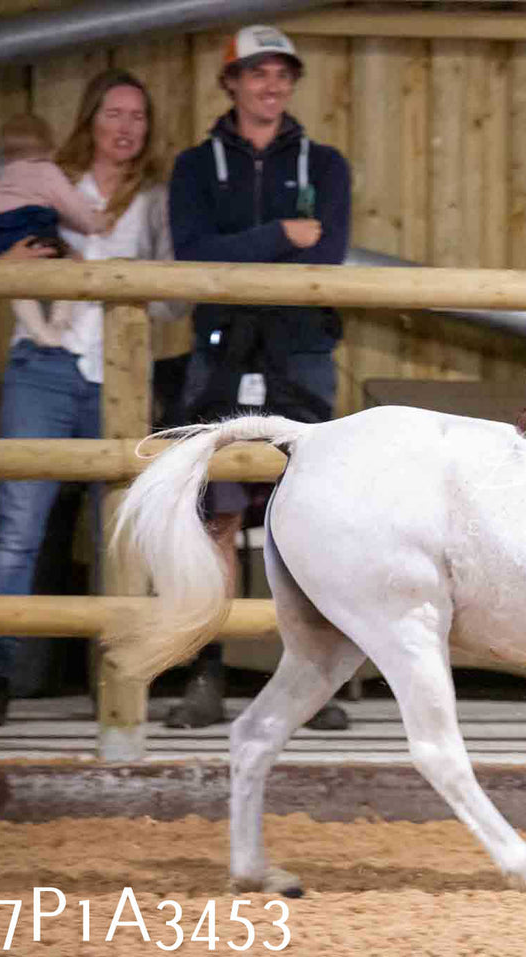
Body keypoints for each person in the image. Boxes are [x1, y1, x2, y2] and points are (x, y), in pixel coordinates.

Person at [0, 70, 184, 726]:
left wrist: (126, 288)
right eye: (115, 113)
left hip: (121, 374)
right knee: (18, 526)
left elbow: (178, 296)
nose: (127, 127)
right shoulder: (43, 178)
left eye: (138, 116)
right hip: (43, 364)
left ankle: (120, 677)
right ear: (91, 118)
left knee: (119, 533)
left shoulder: (154, 199)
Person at [164, 24, 352, 730]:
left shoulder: (325, 164)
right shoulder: (194, 166)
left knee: (311, 515)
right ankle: (204, 675)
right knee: (218, 511)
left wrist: (246, 253)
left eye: (282, 74)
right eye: (256, 73)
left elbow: (326, 256)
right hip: (220, 352)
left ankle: (308, 681)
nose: (271, 85)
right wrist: (280, 236)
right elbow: (192, 256)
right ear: (232, 82)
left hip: (299, 351)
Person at [0, 113, 112, 259]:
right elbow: (71, 206)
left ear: (5, 154)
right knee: (69, 257)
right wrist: (94, 223)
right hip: (25, 230)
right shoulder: (45, 170)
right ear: (50, 149)